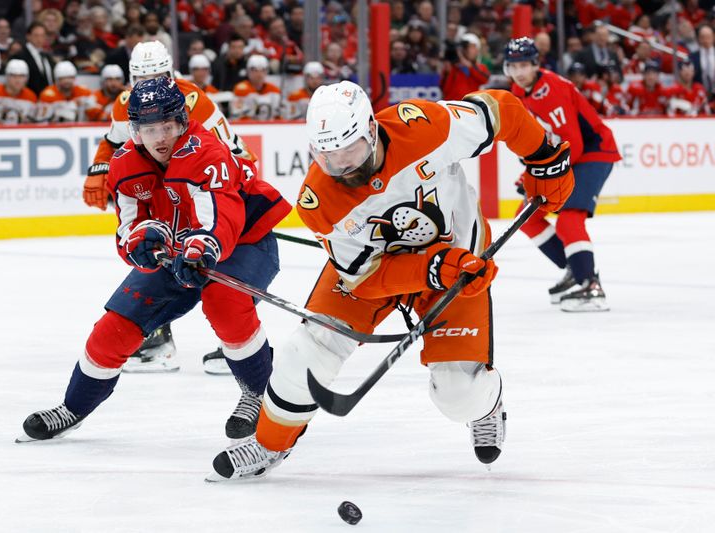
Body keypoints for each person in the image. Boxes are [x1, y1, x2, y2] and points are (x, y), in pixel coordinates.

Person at [206, 80, 575, 481]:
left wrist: (545, 158)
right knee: (305, 354)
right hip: (378, 269)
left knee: (459, 395)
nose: (342, 166)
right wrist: (431, 266)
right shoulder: (319, 199)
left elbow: (500, 110)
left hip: (459, 262)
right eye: (328, 157)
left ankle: (486, 407)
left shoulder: (424, 127)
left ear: (371, 130)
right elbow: (363, 279)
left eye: (351, 151)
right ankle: (269, 443)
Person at [17, 77, 292, 444]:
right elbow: (127, 229)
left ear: (182, 121)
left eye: (167, 126)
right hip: (180, 249)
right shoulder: (124, 163)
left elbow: (222, 218)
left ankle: (258, 395)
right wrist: (140, 244)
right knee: (115, 326)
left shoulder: (206, 150)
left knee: (225, 302)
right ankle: (74, 406)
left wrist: (201, 247)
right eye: (148, 129)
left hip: (243, 242)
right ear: (134, 130)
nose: (160, 137)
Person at [83, 40, 256, 374]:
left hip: (218, 178)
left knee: (215, 251)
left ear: (171, 73)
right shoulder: (127, 103)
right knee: (152, 247)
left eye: (158, 76)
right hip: (171, 186)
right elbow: (114, 141)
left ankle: (236, 339)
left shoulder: (194, 101)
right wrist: (99, 169)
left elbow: (223, 155)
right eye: (141, 79)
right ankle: (159, 337)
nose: (148, 87)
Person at [505, 37, 621, 312]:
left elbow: (574, 144)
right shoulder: (518, 92)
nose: (519, 72)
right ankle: (575, 269)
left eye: (524, 65)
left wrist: (539, 173)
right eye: (513, 66)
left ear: (535, 64)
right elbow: (545, 141)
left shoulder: (551, 89)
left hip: (593, 153)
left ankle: (590, 286)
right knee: (527, 218)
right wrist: (529, 173)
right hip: (568, 156)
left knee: (569, 220)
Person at [0, 59, 37, 124]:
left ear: (27, 78)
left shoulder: (31, 96)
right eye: (14, 76)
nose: (18, 80)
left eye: (22, 76)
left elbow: (31, 122)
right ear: (7, 76)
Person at [230, 54, 282, 121]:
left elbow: (279, 116)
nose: (259, 74)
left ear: (267, 71)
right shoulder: (241, 89)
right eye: (255, 70)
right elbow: (237, 116)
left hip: (270, 128)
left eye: (263, 70)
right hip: (249, 128)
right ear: (248, 71)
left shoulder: (274, 90)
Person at [440, 33, 490, 101]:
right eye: (468, 47)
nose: (471, 50)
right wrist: (447, 71)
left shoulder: (480, 67)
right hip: (452, 106)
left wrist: (468, 65)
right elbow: (444, 89)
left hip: (471, 107)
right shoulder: (453, 68)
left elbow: (484, 79)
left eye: (473, 47)